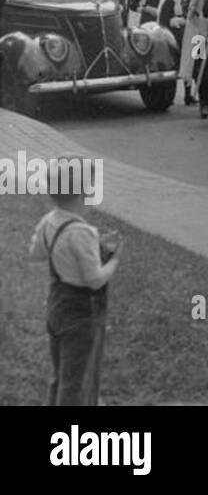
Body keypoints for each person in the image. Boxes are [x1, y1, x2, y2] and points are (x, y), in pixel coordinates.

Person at [28, 161, 120, 406]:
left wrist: (68, 253)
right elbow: (94, 280)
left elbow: (36, 253)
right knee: (76, 380)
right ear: (82, 194)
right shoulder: (83, 232)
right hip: (81, 313)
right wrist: (114, 261)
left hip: (57, 304)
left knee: (61, 374)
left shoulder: (48, 221)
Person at [159, 0, 196, 105]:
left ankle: (191, 94)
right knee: (176, 63)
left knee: (195, 59)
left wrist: (185, 19)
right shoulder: (169, 1)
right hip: (175, 35)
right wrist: (171, 20)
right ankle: (171, 95)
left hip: (190, 31)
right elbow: (162, 20)